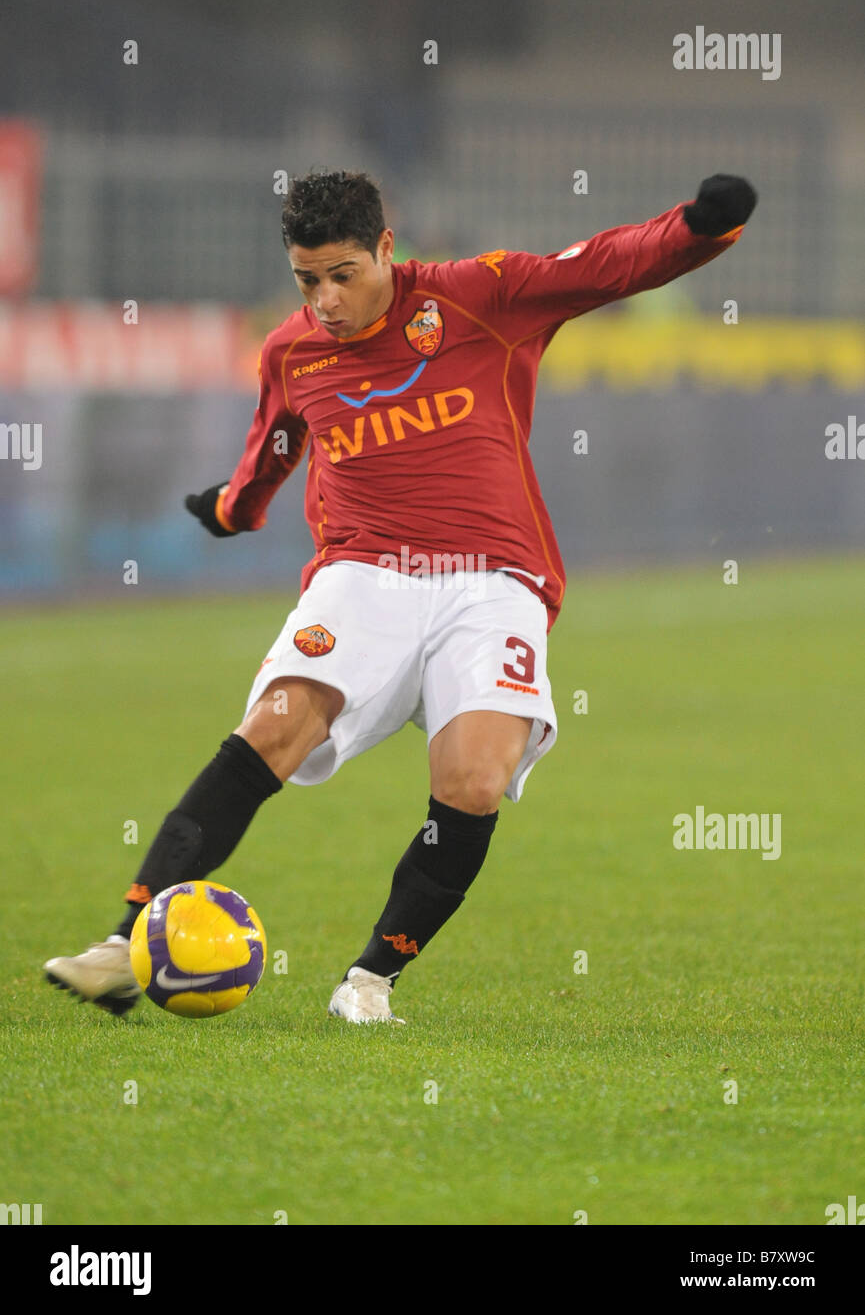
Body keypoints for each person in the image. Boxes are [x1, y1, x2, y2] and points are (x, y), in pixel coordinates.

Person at [44, 168, 757, 1023]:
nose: (326, 300)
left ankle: (370, 979)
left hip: (494, 576)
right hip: (364, 571)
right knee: (269, 728)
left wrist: (698, 228)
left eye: (343, 274)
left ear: (388, 247)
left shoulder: (477, 296)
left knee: (473, 782)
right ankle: (125, 946)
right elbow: (275, 444)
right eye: (308, 280)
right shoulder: (291, 351)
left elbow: (602, 265)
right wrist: (234, 509)